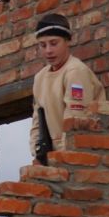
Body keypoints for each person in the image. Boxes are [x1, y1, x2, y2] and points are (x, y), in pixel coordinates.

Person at [28, 12, 103, 161]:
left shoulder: (75, 72)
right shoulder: (40, 78)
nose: (48, 50)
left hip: (78, 156)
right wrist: (37, 151)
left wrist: (61, 158)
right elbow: (37, 121)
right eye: (43, 45)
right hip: (52, 157)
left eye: (54, 43)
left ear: (67, 41)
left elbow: (75, 120)